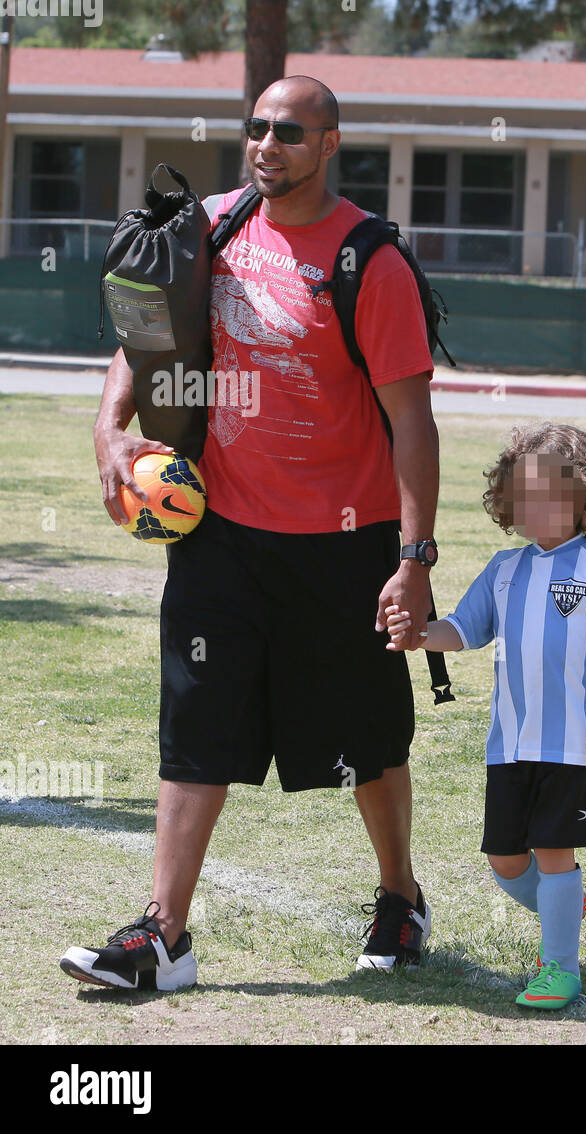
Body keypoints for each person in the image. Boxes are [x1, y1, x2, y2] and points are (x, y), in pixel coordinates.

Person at [63, 76, 441, 991]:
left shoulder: (368, 261)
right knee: (195, 731)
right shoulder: (212, 228)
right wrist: (113, 429)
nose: (266, 144)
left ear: (328, 144)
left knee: (367, 740)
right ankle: (164, 938)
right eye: (256, 128)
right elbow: (143, 335)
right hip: (220, 533)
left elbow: (413, 423)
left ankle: (399, 896)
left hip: (342, 542)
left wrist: (414, 560)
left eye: (289, 131)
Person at [385, 423, 586, 1011]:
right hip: (509, 744)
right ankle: (565, 904)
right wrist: (419, 636)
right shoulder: (505, 569)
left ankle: (560, 967)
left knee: (556, 852)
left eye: (548, 497)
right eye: (521, 498)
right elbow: (462, 629)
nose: (533, 509)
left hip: (576, 747)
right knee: (506, 862)